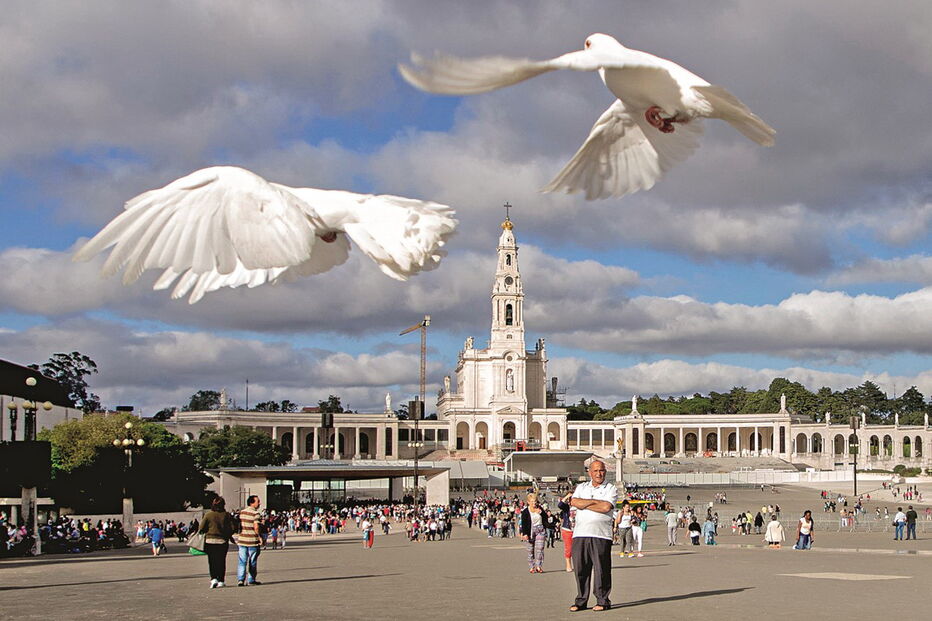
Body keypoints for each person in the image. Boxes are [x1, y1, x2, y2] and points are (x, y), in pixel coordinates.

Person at [569, 460, 617, 612]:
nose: (599, 474)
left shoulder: (611, 488)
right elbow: (574, 502)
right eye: (595, 471)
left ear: (605, 472)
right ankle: (581, 600)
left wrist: (586, 503)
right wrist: (595, 501)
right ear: (589, 472)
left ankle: (603, 600)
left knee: (601, 569)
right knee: (581, 568)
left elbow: (606, 507)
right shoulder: (581, 487)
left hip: (601, 535)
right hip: (580, 533)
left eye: (601, 470)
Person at [199, 496, 235, 589]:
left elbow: (201, 528)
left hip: (210, 541)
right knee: (221, 561)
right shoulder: (226, 515)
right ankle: (221, 580)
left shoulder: (208, 515)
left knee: (212, 561)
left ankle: (213, 578)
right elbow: (232, 528)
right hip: (222, 541)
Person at [237, 495, 263, 586]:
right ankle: (251, 579)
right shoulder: (256, 514)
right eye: (258, 501)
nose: (259, 503)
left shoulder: (242, 512)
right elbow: (256, 526)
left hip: (242, 540)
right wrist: (259, 537)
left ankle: (240, 579)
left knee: (242, 561)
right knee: (252, 561)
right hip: (252, 541)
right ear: (252, 503)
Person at [519, 492, 546, 573]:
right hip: (530, 530)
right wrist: (525, 534)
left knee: (540, 548)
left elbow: (546, 518)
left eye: (535, 501)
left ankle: (538, 566)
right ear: (528, 502)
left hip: (540, 530)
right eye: (532, 501)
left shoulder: (540, 508)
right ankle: (531, 566)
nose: (534, 503)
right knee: (530, 550)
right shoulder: (525, 511)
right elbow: (524, 523)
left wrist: (541, 513)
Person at [557, 492, 574, 572]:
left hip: (579, 529)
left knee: (579, 548)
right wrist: (567, 496)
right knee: (569, 548)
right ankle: (568, 564)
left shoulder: (581, 507)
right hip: (568, 529)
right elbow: (560, 505)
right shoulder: (567, 507)